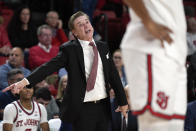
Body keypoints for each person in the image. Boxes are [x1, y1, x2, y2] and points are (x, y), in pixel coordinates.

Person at [3, 11, 128, 131]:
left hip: (103, 107)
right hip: (82, 109)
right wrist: (23, 82)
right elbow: (47, 68)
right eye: (80, 24)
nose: (86, 25)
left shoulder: (103, 47)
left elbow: (113, 76)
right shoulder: (69, 50)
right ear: (75, 32)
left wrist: (123, 102)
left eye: (87, 22)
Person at [120, 0, 187, 131]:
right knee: (156, 124)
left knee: (174, 126)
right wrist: (148, 21)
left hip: (176, 52)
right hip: (152, 47)